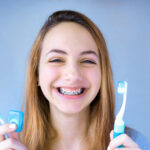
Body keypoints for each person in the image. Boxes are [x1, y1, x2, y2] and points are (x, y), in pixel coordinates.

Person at [0, 10, 149, 150]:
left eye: (88, 61)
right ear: (36, 73)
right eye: (57, 59)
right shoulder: (9, 144)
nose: (73, 75)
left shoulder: (134, 144)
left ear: (102, 74)